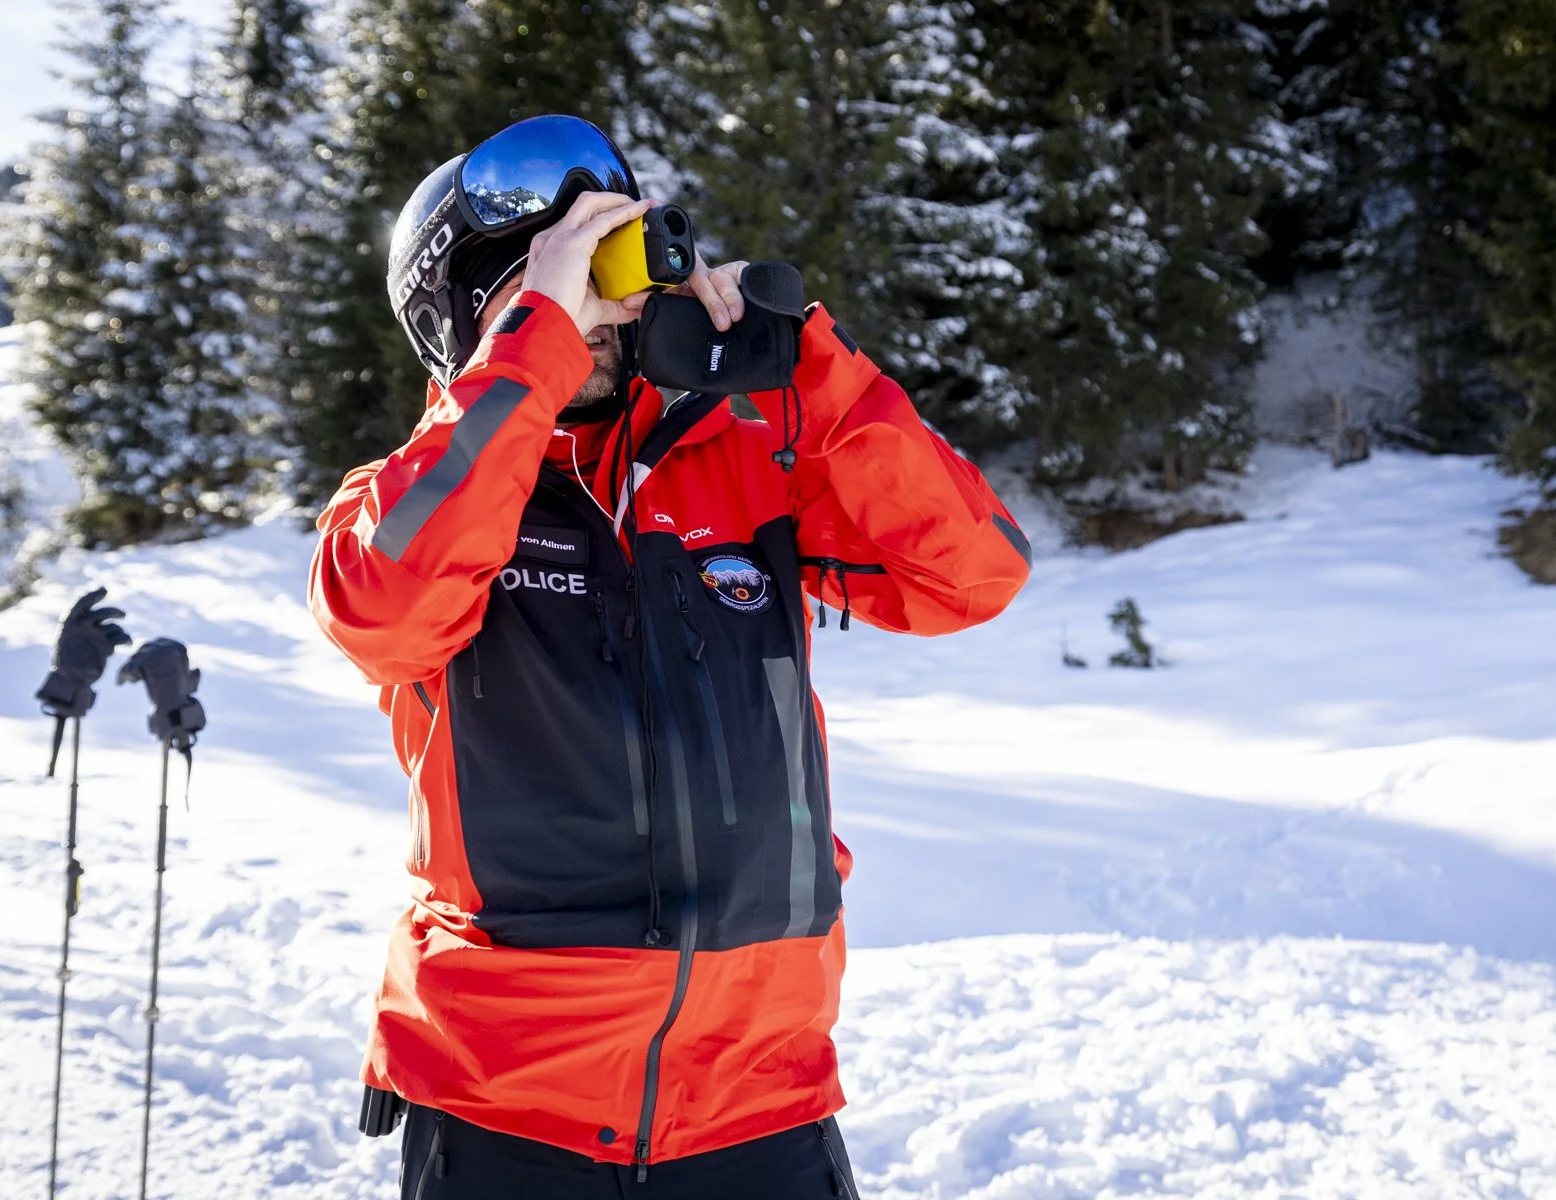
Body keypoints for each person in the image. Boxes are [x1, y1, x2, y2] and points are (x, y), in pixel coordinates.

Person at [308, 115, 1031, 1199]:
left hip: (760, 1093)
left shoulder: (743, 462)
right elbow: (386, 608)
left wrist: (814, 374)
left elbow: (973, 575)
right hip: (507, 1105)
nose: (595, 318)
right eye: (546, 286)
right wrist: (536, 343)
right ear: (461, 320)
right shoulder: (400, 499)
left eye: (603, 276)